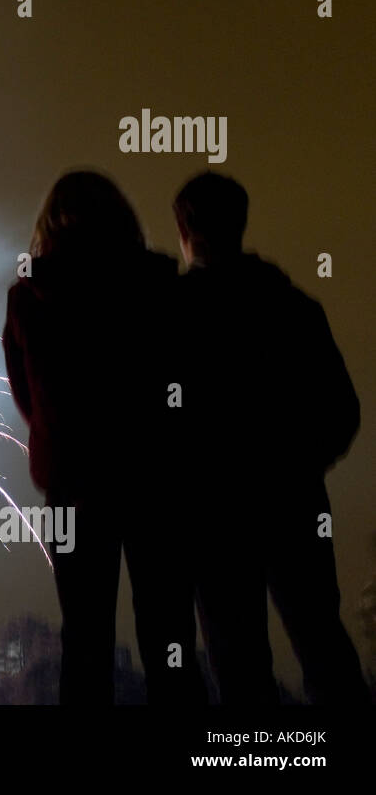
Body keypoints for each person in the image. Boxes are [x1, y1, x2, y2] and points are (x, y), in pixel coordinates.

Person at [2, 170, 204, 705]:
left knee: (84, 638)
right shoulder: (161, 285)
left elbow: (28, 398)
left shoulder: (29, 297)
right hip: (155, 477)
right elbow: (183, 381)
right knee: (169, 633)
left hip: (71, 484)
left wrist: (62, 440)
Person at [172, 171, 365, 704]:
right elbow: (343, 411)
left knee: (237, 665)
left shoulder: (172, 318)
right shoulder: (295, 308)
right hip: (294, 504)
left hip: (212, 516)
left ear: (186, 229)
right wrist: (296, 465)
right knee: (323, 642)